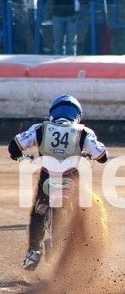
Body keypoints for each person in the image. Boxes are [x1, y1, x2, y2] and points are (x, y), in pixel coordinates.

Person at [8, 95, 108, 271]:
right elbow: (102, 155)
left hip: (47, 179)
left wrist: (18, 155)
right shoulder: (83, 132)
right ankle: (88, 248)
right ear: (77, 115)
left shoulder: (39, 129)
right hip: (71, 179)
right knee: (88, 210)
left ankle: (34, 252)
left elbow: (15, 145)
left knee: (38, 213)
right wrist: (88, 154)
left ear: (52, 114)